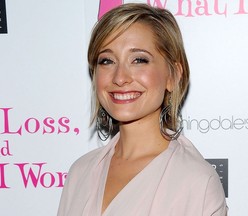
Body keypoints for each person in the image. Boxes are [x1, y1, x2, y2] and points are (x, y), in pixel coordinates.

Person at [57, 3, 228, 216]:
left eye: (139, 60)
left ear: (173, 75)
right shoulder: (80, 172)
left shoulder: (195, 181)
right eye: (107, 61)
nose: (120, 77)